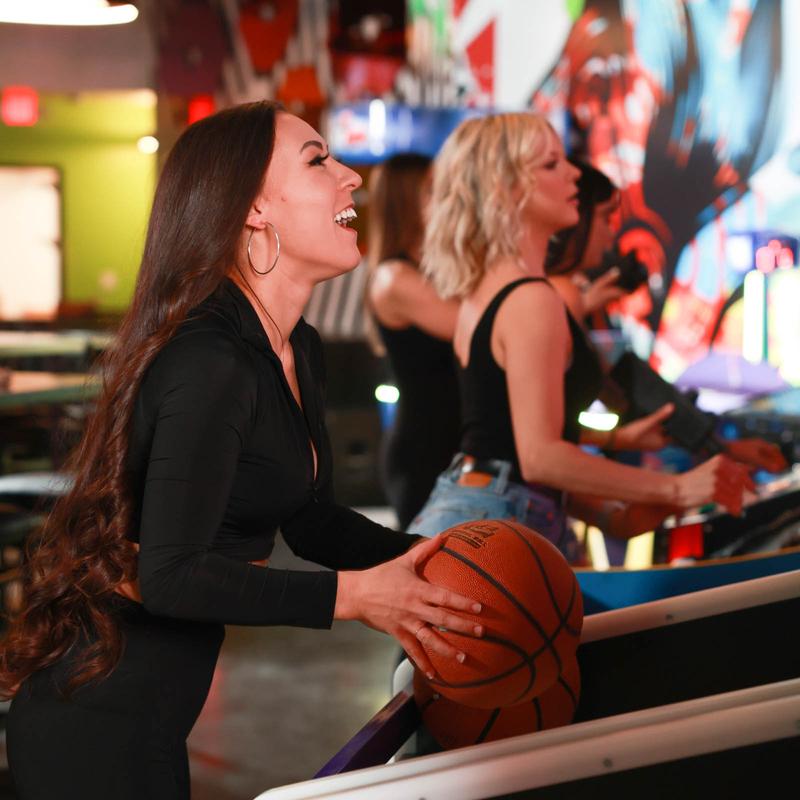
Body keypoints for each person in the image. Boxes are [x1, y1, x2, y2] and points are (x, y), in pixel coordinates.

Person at [0, 102, 483, 799]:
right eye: (318, 161)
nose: (351, 177)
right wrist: (356, 597)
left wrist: (438, 564)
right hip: (92, 715)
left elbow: (310, 519)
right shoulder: (211, 360)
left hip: (153, 714)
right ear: (254, 209)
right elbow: (172, 575)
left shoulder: (295, 348)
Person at [407, 111, 753, 558]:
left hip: (481, 504)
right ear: (506, 188)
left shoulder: (491, 289)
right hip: (495, 519)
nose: (574, 173)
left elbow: (505, 443)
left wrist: (629, 497)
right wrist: (677, 487)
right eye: (551, 164)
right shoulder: (531, 298)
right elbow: (540, 457)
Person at [546, 158, 788, 475]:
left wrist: (721, 447)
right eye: (605, 218)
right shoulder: (555, 296)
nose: (610, 235)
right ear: (577, 220)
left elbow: (622, 387)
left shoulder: (562, 296)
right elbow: (540, 442)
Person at [365, 153, 461, 529]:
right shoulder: (394, 277)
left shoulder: (435, 268)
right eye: (435, 189)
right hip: (426, 450)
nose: (451, 198)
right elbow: (477, 327)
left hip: (455, 444)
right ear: (404, 201)